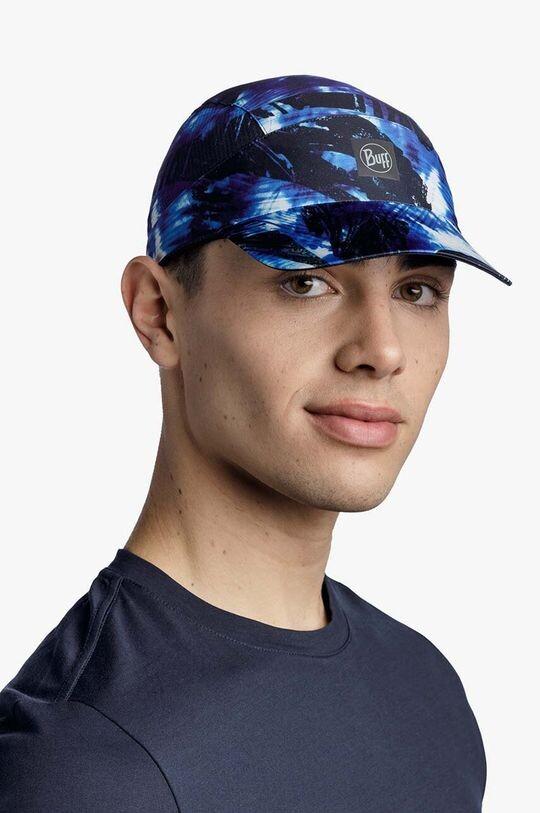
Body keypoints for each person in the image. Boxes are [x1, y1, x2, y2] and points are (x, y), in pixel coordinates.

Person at [0, 74, 511, 812]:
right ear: (159, 313)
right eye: (305, 281)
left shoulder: (426, 691)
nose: (382, 350)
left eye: (417, 290)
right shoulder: (78, 762)